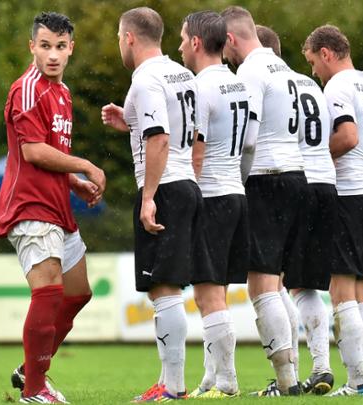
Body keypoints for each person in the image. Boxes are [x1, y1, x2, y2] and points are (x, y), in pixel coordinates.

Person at [0, 11, 105, 404]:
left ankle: (30, 368)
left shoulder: (64, 93)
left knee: (78, 293)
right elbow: (32, 151)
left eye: (60, 46)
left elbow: (52, 151)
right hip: (29, 206)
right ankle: (34, 389)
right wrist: (86, 165)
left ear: (71, 48)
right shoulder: (27, 88)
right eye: (45, 46)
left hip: (58, 207)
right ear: (32, 47)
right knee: (48, 292)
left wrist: (74, 182)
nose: (53, 54)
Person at [101, 7, 201, 402]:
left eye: (118, 37)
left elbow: (159, 138)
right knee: (164, 288)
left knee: (165, 288)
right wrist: (129, 122)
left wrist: (148, 198)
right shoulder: (181, 73)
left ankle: (173, 387)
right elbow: (185, 132)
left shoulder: (145, 79)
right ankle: (167, 381)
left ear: (129, 37)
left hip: (165, 188)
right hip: (185, 182)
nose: (118, 44)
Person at [221, 5, 307, 397]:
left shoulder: (250, 72)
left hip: (267, 177)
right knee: (275, 283)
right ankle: (292, 376)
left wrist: (238, 180)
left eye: (224, 46)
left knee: (260, 285)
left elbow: (250, 139)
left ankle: (286, 381)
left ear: (231, 38)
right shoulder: (284, 69)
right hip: (296, 175)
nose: (225, 55)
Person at [303, 24, 363, 396]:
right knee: (360, 293)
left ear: (326, 53)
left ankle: (357, 382)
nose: (314, 72)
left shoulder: (338, 86)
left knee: (340, 291)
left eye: (313, 62)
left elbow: (349, 136)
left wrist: (315, 157)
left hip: (350, 194)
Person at [178, 10, 253, 399]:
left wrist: (188, 199)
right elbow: (249, 143)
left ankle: (226, 382)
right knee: (213, 292)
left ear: (195, 42)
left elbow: (197, 152)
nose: (179, 47)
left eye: (182, 39)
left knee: (208, 295)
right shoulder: (237, 84)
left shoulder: (200, 87)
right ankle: (212, 377)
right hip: (235, 193)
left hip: (210, 196)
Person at [256, 24, 335, 395]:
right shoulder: (308, 84)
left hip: (293, 183)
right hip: (326, 183)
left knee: (275, 284)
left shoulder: (269, 84)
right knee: (304, 286)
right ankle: (321, 367)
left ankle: (289, 377)